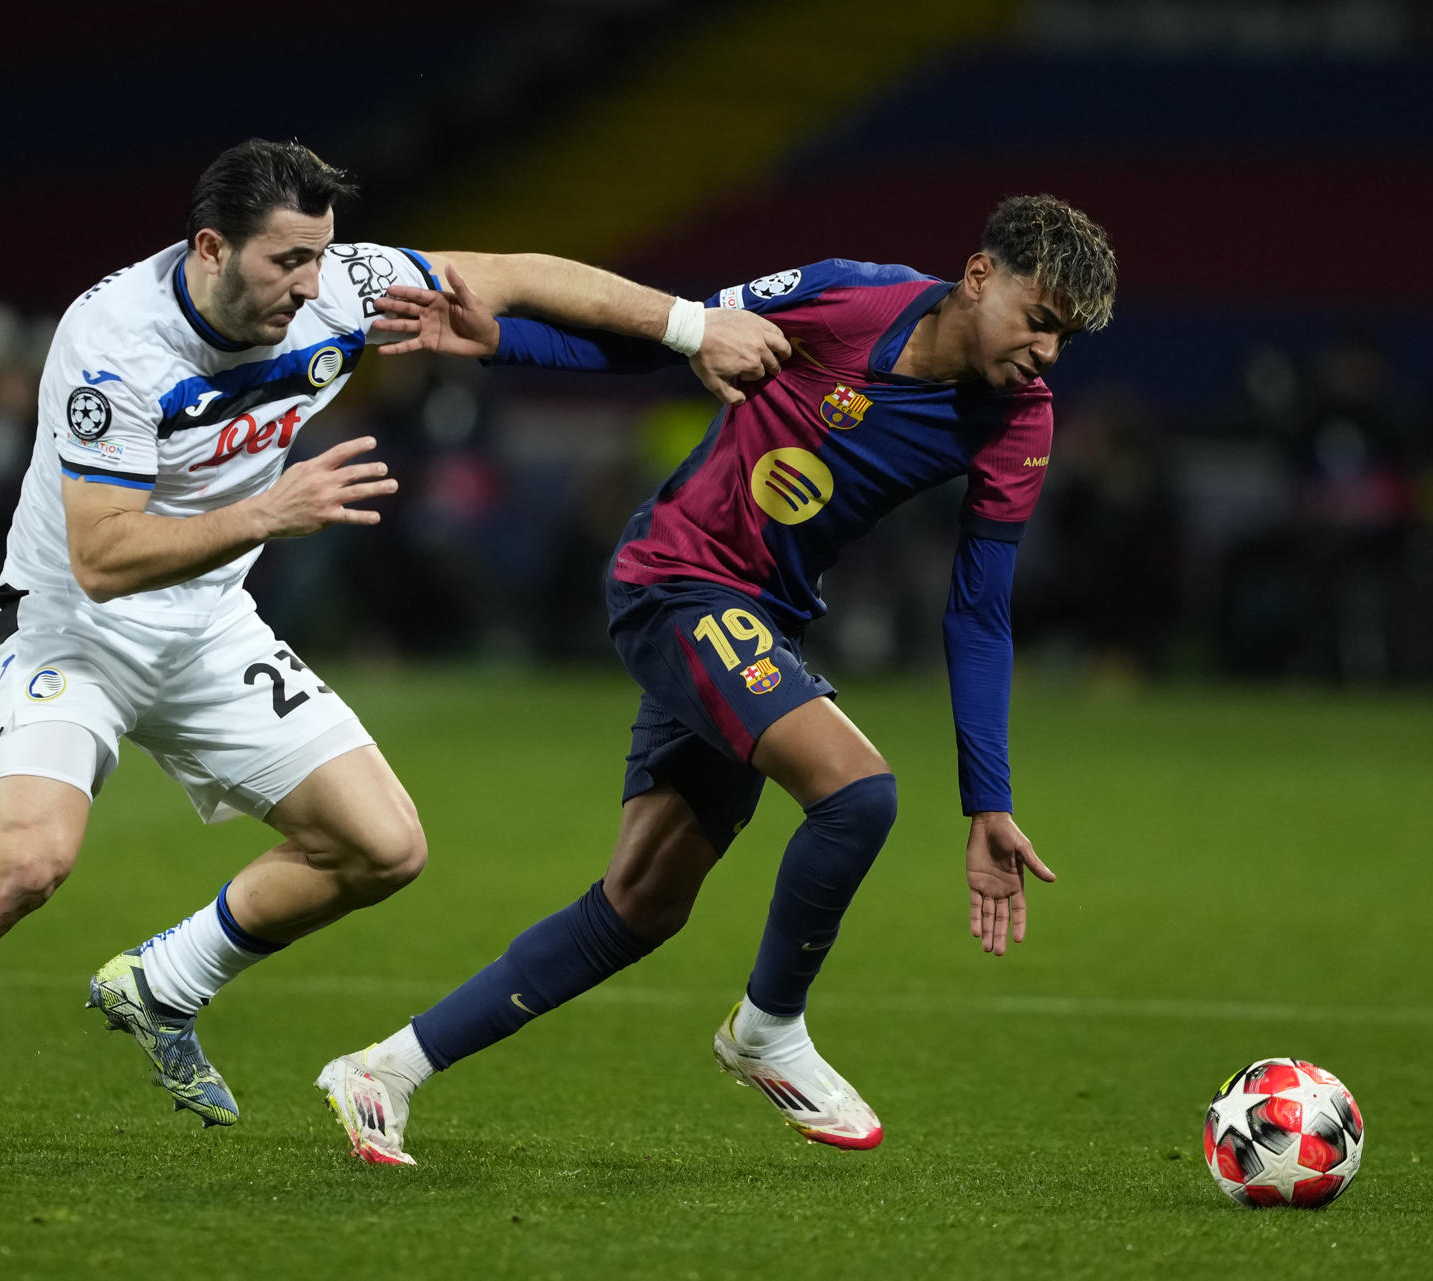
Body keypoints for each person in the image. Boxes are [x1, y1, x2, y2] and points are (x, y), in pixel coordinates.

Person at [0, 137, 789, 1167]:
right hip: (74, 632)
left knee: (384, 846)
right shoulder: (113, 344)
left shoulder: (337, 289)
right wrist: (272, 508)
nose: (311, 286)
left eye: (321, 256)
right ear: (211, 249)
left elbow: (522, 276)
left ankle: (163, 984)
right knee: (26, 863)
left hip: (208, 626)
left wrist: (691, 327)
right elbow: (101, 556)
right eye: (287, 262)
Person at [317, 194, 1117, 1164]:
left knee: (642, 903)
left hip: (755, 624)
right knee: (857, 794)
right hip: (677, 583)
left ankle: (383, 1069)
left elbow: (980, 611)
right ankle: (768, 1027)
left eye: (1066, 338)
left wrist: (988, 802)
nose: (1047, 354)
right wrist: (502, 344)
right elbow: (665, 339)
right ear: (981, 276)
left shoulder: (1018, 420)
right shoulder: (844, 300)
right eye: (1040, 321)